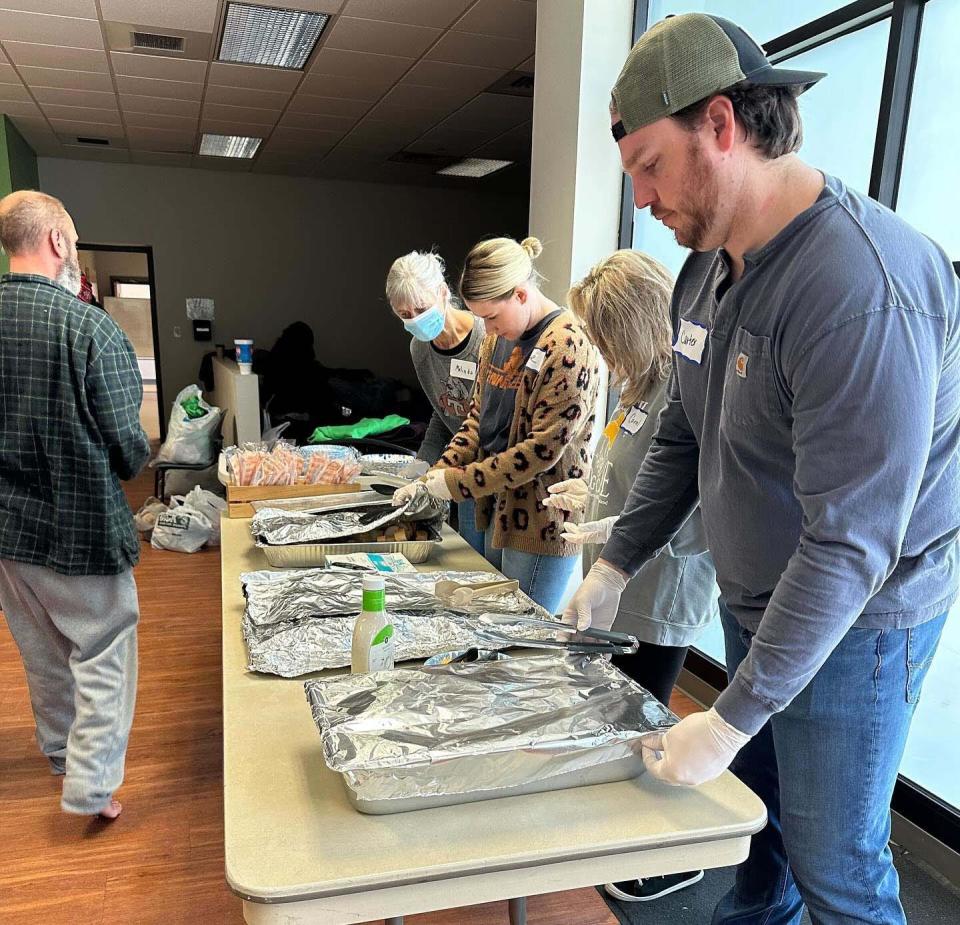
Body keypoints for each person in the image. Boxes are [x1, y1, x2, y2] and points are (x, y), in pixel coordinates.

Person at [568, 13, 960, 924]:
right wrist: (615, 563)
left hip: (858, 624)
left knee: (835, 865)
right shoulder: (707, 269)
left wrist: (732, 717)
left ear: (721, 124)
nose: (643, 199)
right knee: (755, 844)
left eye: (649, 166)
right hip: (761, 601)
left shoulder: (857, 289)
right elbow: (680, 432)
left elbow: (851, 544)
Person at [547, 250, 717, 903]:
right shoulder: (638, 384)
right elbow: (626, 476)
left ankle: (671, 853)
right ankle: (630, 829)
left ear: (633, 324)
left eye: (601, 334)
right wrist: (584, 497)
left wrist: (612, 530)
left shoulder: (683, 387)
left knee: (648, 713)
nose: (595, 347)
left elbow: (694, 508)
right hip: (621, 577)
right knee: (620, 709)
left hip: (665, 586)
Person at [0, 190, 150, 820]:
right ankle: (90, 787)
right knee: (104, 649)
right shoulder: (89, 328)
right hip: (80, 528)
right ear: (59, 241)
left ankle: (62, 753)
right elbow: (127, 448)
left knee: (42, 651)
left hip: (7, 535)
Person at [394, 236, 600, 613]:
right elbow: (475, 421)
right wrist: (432, 477)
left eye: (490, 317)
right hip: (496, 510)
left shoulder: (568, 345)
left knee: (521, 639)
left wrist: (454, 483)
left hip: (540, 522)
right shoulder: (496, 341)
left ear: (520, 295)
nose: (485, 329)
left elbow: (540, 453)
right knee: (492, 628)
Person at [385, 250, 486, 554]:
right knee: (471, 563)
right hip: (459, 472)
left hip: (494, 469)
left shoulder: (487, 336)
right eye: (404, 314)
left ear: (443, 293)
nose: (415, 319)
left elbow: (486, 423)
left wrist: (438, 472)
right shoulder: (420, 349)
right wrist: (421, 465)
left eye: (421, 308)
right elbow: (443, 416)